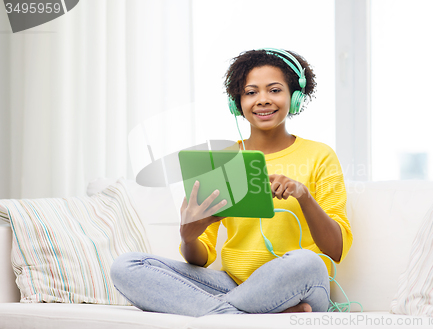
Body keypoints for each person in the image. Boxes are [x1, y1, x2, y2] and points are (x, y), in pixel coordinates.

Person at [111, 49, 353, 317]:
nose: (262, 100)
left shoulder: (320, 155)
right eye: (251, 92)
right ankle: (244, 316)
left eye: (274, 90)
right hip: (235, 285)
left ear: (295, 97)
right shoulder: (220, 161)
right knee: (127, 266)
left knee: (306, 261)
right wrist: (188, 236)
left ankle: (222, 312)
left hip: (302, 284)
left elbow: (336, 249)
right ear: (237, 103)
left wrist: (304, 196)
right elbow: (199, 259)